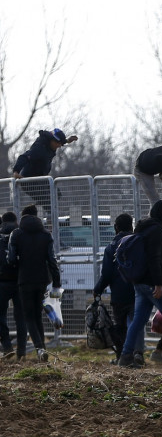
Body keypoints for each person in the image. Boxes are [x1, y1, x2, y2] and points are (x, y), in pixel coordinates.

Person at [118, 200, 162, 369]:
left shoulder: (143, 228)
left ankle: (125, 355)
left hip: (139, 283)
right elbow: (154, 259)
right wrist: (158, 284)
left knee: (138, 320)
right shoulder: (157, 230)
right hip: (154, 284)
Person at [7, 204, 61, 362]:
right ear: (37, 217)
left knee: (29, 316)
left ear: (22, 216)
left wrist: (18, 264)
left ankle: (39, 348)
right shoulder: (45, 234)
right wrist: (56, 281)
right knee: (38, 315)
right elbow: (52, 260)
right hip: (43, 279)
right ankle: (42, 350)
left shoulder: (16, 234)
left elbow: (11, 259)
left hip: (24, 279)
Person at [93, 213, 145, 365]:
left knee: (120, 325)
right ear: (132, 226)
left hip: (118, 292)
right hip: (137, 288)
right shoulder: (138, 243)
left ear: (116, 228)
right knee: (137, 322)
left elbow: (107, 274)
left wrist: (98, 289)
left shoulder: (111, 247)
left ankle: (123, 356)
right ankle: (138, 353)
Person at [12, 128, 78, 208]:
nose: (58, 146)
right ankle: (48, 217)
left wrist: (67, 140)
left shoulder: (51, 143)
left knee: (57, 194)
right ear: (52, 140)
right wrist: (16, 171)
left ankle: (33, 209)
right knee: (47, 199)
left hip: (41, 179)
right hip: (29, 181)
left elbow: (60, 141)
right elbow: (24, 157)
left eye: (60, 144)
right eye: (57, 144)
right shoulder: (39, 148)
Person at [0, 212, 25, 360]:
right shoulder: (20, 235)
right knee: (21, 317)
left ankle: (7, 346)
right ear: (16, 221)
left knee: (1, 316)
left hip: (2, 281)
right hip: (20, 281)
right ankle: (21, 350)